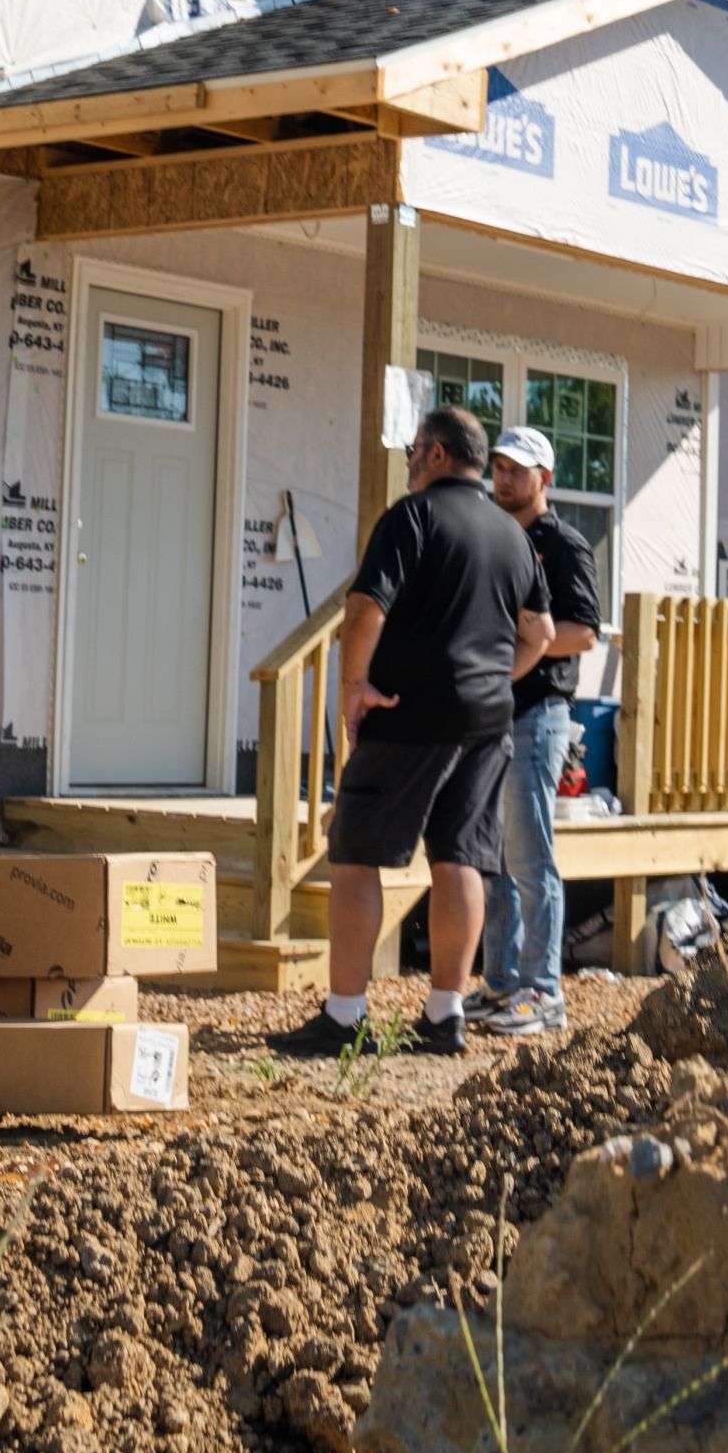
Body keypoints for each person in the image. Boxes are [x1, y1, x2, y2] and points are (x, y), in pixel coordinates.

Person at [274, 404, 551, 1058]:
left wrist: (354, 686)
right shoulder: (514, 534)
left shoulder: (413, 517)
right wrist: (490, 677)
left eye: (410, 452)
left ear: (433, 454)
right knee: (461, 856)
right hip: (488, 719)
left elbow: (367, 604)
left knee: (355, 851)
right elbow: (538, 633)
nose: (406, 464)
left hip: (408, 712)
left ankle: (345, 1017)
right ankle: (445, 1013)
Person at [469, 424, 600, 1040]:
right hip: (489, 715)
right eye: (498, 467)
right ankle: (500, 985)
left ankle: (543, 991)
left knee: (530, 857)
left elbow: (583, 631)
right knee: (492, 860)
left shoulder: (563, 543)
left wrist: (522, 644)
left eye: (518, 470)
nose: (504, 479)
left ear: (544, 478)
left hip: (539, 714)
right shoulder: (491, 535)